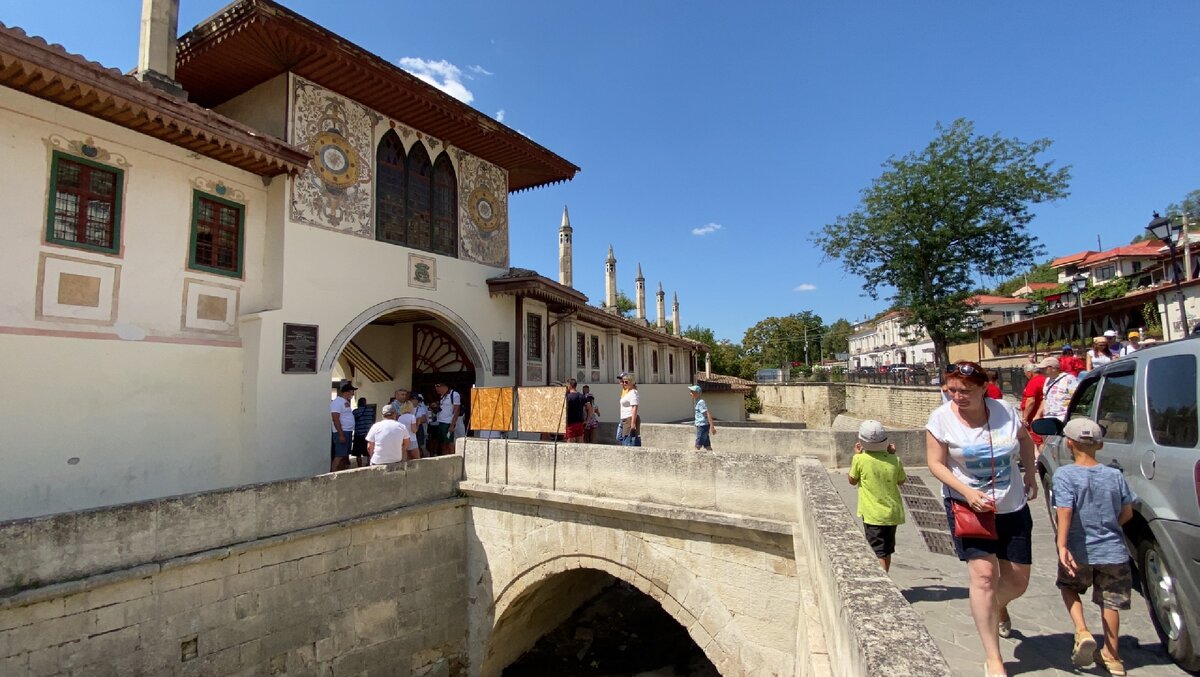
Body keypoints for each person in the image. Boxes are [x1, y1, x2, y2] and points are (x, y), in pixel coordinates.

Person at [926, 361, 1038, 677]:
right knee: (984, 578)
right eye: (951, 390)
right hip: (967, 507)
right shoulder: (941, 419)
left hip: (1011, 505)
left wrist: (1030, 473)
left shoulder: (1004, 410)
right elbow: (935, 464)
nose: (957, 396)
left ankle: (990, 606)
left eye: (965, 391)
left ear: (982, 389)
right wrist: (966, 491)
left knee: (1017, 580)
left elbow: (1026, 441)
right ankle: (994, 658)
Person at [1053, 418, 1137, 674]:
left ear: (1069, 443)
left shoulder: (1065, 475)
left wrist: (1062, 544)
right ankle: (1113, 656)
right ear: (1099, 445)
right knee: (1110, 602)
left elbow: (1065, 512)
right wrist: (1112, 525)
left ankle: (1082, 631)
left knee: (1069, 588)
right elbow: (1128, 513)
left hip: (1080, 549)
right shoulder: (1114, 475)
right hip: (1113, 550)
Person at [848, 420, 904, 572]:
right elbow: (901, 480)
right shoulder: (895, 459)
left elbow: (852, 480)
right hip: (892, 513)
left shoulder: (859, 459)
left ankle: (883, 581)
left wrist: (856, 455)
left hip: (873, 514)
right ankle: (887, 577)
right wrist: (892, 456)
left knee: (876, 552)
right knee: (886, 550)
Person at [1036, 356, 1078, 423]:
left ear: (1051, 368)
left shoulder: (1069, 379)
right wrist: (1038, 415)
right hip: (1048, 417)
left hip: (1063, 417)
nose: (1041, 371)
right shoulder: (1047, 380)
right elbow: (1045, 399)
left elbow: (1076, 397)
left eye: (1043, 368)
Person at [329, 382, 357, 472]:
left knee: (345, 455)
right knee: (339, 455)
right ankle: (333, 473)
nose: (352, 394)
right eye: (352, 392)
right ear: (346, 392)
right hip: (341, 431)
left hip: (348, 431)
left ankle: (341, 472)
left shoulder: (346, 402)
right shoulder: (337, 402)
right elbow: (335, 418)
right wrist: (341, 434)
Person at [1019, 362, 1047, 451]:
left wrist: (1025, 417)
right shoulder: (1045, 379)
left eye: (1025, 374)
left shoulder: (1033, 382)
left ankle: (1040, 460)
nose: (1025, 376)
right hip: (1042, 414)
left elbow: (1031, 401)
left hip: (1034, 416)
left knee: (1038, 440)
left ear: (1029, 372)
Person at [433, 382, 461, 455]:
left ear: (443, 386)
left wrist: (452, 425)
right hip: (441, 421)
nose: (437, 391)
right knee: (442, 443)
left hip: (448, 422)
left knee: (449, 442)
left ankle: (453, 457)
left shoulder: (454, 394)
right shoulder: (442, 396)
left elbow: (457, 410)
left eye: (438, 389)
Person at [686, 385, 716, 450]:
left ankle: (694, 458)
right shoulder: (697, 402)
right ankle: (711, 456)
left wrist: (712, 426)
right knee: (707, 445)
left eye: (692, 392)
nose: (690, 393)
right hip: (702, 425)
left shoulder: (700, 402)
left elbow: (707, 413)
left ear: (698, 393)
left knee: (697, 445)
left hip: (702, 426)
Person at [617, 373, 640, 447]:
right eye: (623, 382)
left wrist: (633, 423)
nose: (624, 383)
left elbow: (634, 407)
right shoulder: (629, 392)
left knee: (628, 441)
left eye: (626, 382)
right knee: (625, 439)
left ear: (632, 382)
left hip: (629, 418)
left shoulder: (633, 392)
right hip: (625, 419)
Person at [351, 397, 375, 468]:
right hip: (368, 433)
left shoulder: (355, 412)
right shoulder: (370, 411)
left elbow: (353, 421)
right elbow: (372, 420)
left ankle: (359, 465)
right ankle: (368, 463)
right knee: (368, 450)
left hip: (358, 433)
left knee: (358, 452)